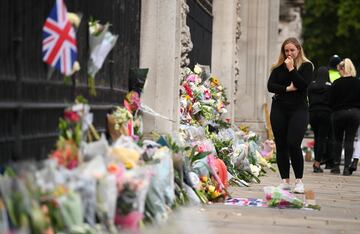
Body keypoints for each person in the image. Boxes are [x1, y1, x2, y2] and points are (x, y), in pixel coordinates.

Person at [267, 37, 314, 193]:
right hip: (279, 108)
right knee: (281, 145)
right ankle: (285, 180)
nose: (289, 53)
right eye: (286, 50)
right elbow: (270, 86)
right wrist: (287, 88)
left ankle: (299, 181)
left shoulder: (307, 66)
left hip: (299, 109)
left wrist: (292, 69)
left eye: (292, 50)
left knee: (293, 143)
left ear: (298, 50)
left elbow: (302, 85)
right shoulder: (278, 67)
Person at [329, 58, 360, 175]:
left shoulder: (336, 83)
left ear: (342, 69)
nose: (338, 73)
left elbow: (330, 100)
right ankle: (347, 168)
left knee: (337, 139)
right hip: (355, 113)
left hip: (339, 113)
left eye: (339, 70)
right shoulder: (358, 82)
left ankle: (336, 166)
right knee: (350, 139)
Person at [307, 67, 332, 173]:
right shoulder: (329, 86)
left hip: (312, 113)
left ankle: (317, 161)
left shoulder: (311, 85)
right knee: (322, 138)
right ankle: (317, 163)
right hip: (325, 113)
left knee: (317, 138)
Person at [320, 55, 342, 169]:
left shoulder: (326, 73)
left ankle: (323, 157)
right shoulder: (339, 74)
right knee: (333, 136)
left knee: (324, 135)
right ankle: (331, 161)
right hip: (335, 108)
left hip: (325, 106)